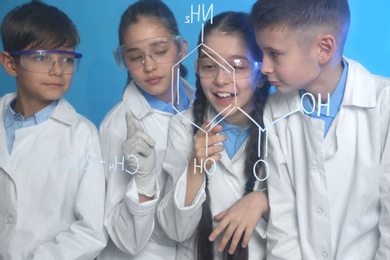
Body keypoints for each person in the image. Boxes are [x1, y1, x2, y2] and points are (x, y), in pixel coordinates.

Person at [249, 0, 390, 259]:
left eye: (275, 54)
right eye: (261, 53)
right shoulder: (276, 109)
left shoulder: (384, 106)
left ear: (324, 48)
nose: (265, 67)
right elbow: (284, 223)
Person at [157, 11, 270, 260]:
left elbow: (305, 218)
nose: (220, 79)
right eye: (209, 66)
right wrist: (196, 167)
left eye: (236, 66)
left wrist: (262, 201)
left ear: (261, 74)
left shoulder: (282, 127)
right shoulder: (182, 127)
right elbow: (175, 230)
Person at [0, 1, 106, 259]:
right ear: (10, 64)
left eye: (67, 59)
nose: (57, 70)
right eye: (41, 57)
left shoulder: (82, 134)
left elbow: (91, 230)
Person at [97, 0, 194, 259]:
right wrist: (143, 186)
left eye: (160, 51)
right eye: (135, 56)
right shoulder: (117, 127)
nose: (149, 66)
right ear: (124, 60)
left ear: (181, 49)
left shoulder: (206, 106)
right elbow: (120, 235)